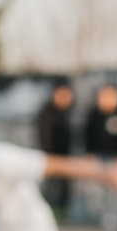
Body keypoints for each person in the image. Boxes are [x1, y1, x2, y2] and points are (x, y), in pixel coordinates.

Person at [82, 83, 117, 230]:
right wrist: (89, 155)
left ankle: (111, 216)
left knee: (114, 191)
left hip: (115, 159)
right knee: (94, 190)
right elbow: (86, 136)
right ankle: (96, 215)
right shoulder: (93, 115)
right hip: (96, 157)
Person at [36, 80, 75, 214]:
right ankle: (47, 211)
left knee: (65, 186)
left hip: (67, 157)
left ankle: (62, 211)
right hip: (50, 157)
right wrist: (48, 154)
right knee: (50, 186)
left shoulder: (71, 113)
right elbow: (44, 135)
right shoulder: (46, 113)